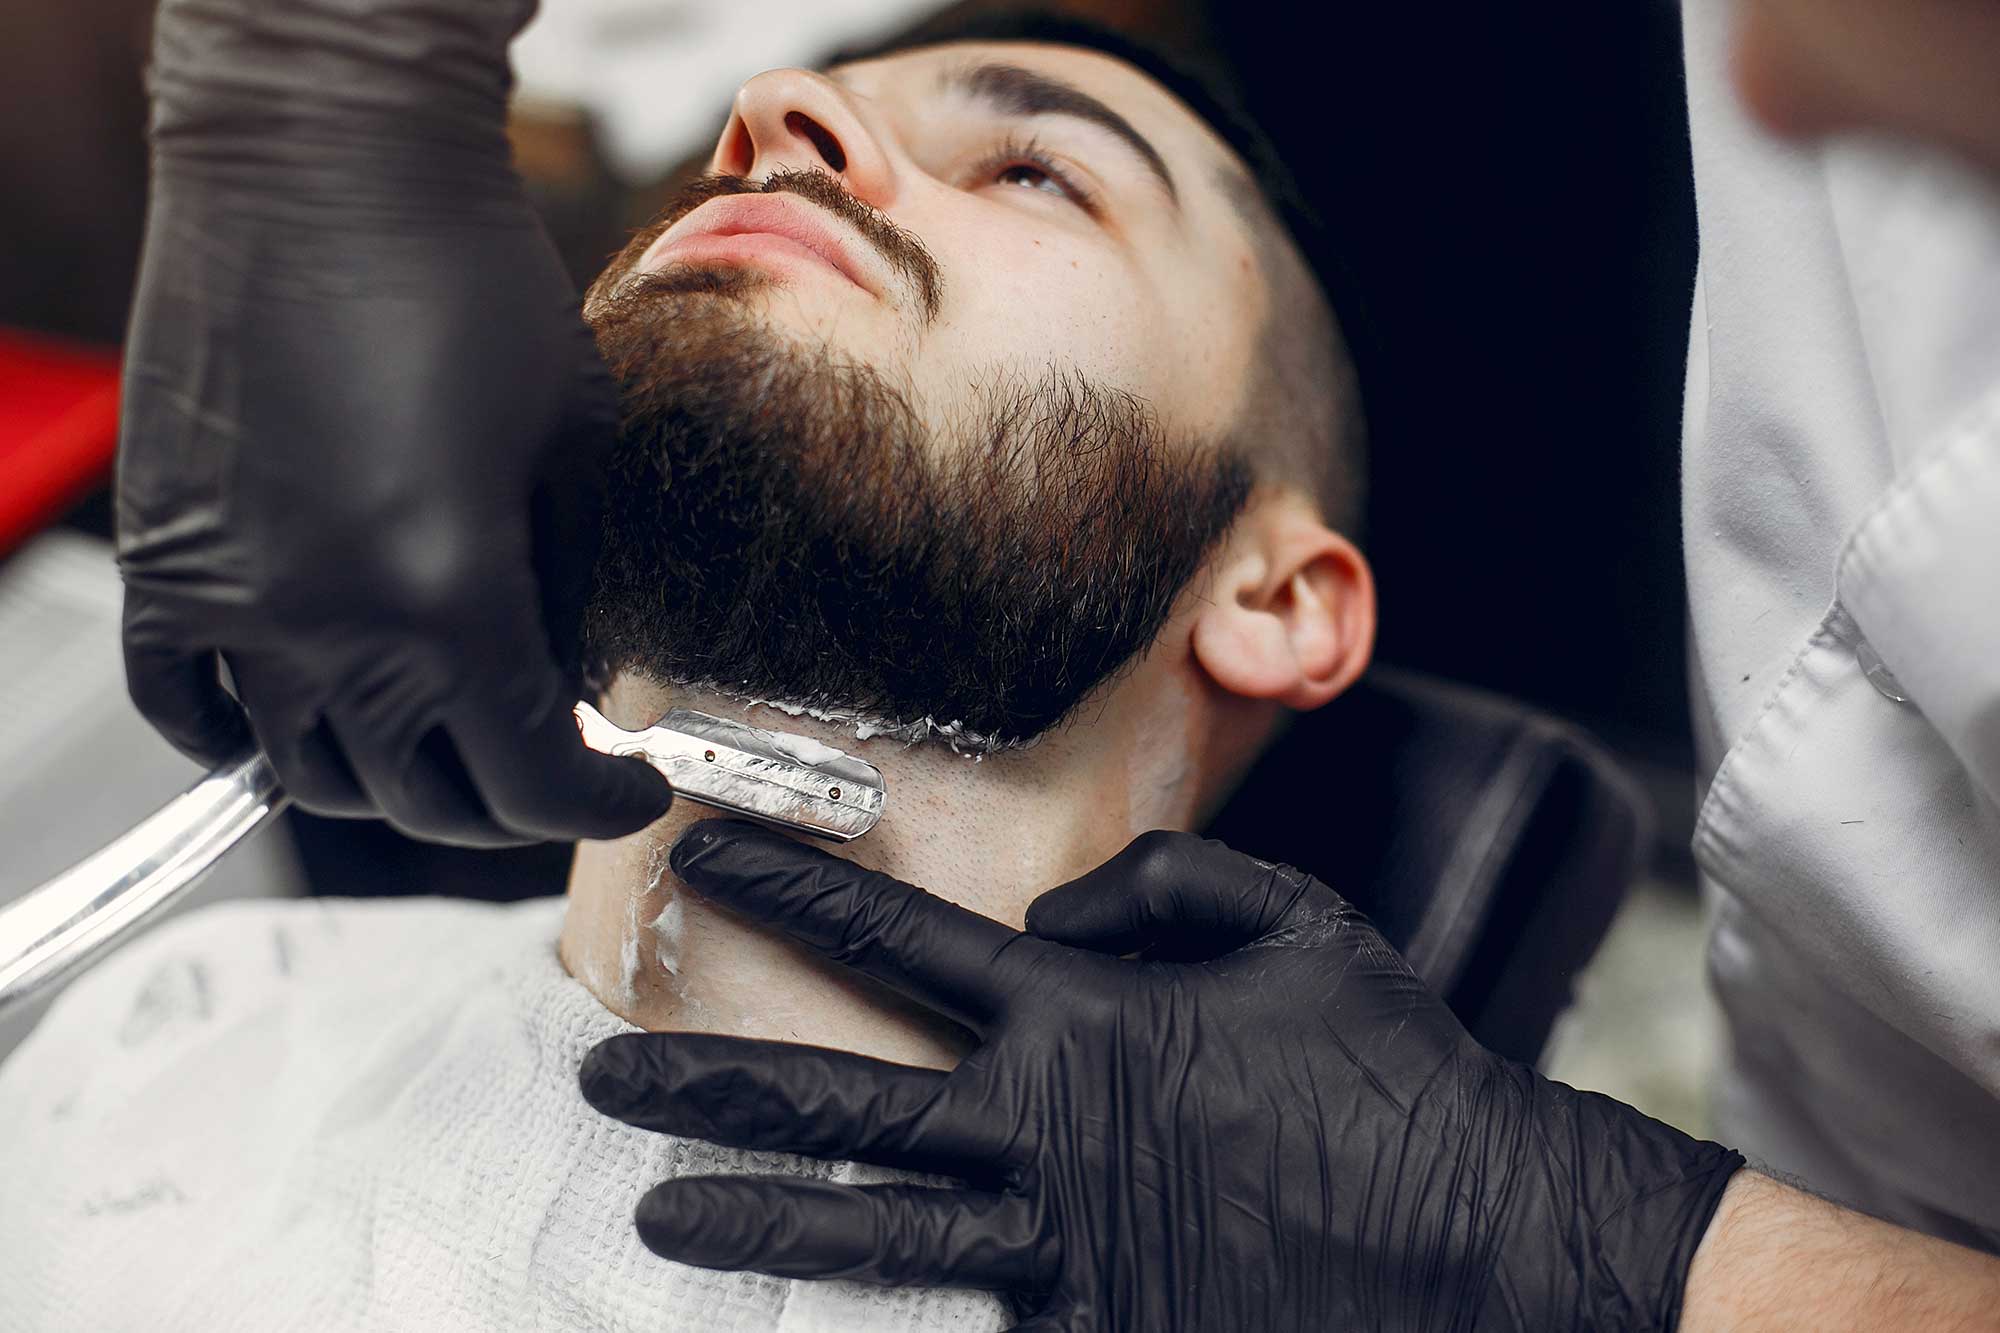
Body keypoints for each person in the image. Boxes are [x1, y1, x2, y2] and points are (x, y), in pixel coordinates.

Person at [0, 20, 1409, 1331]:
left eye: (1034, 169)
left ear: (1278, 599)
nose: (773, 115)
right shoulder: (180, 1028)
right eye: (767, 130)